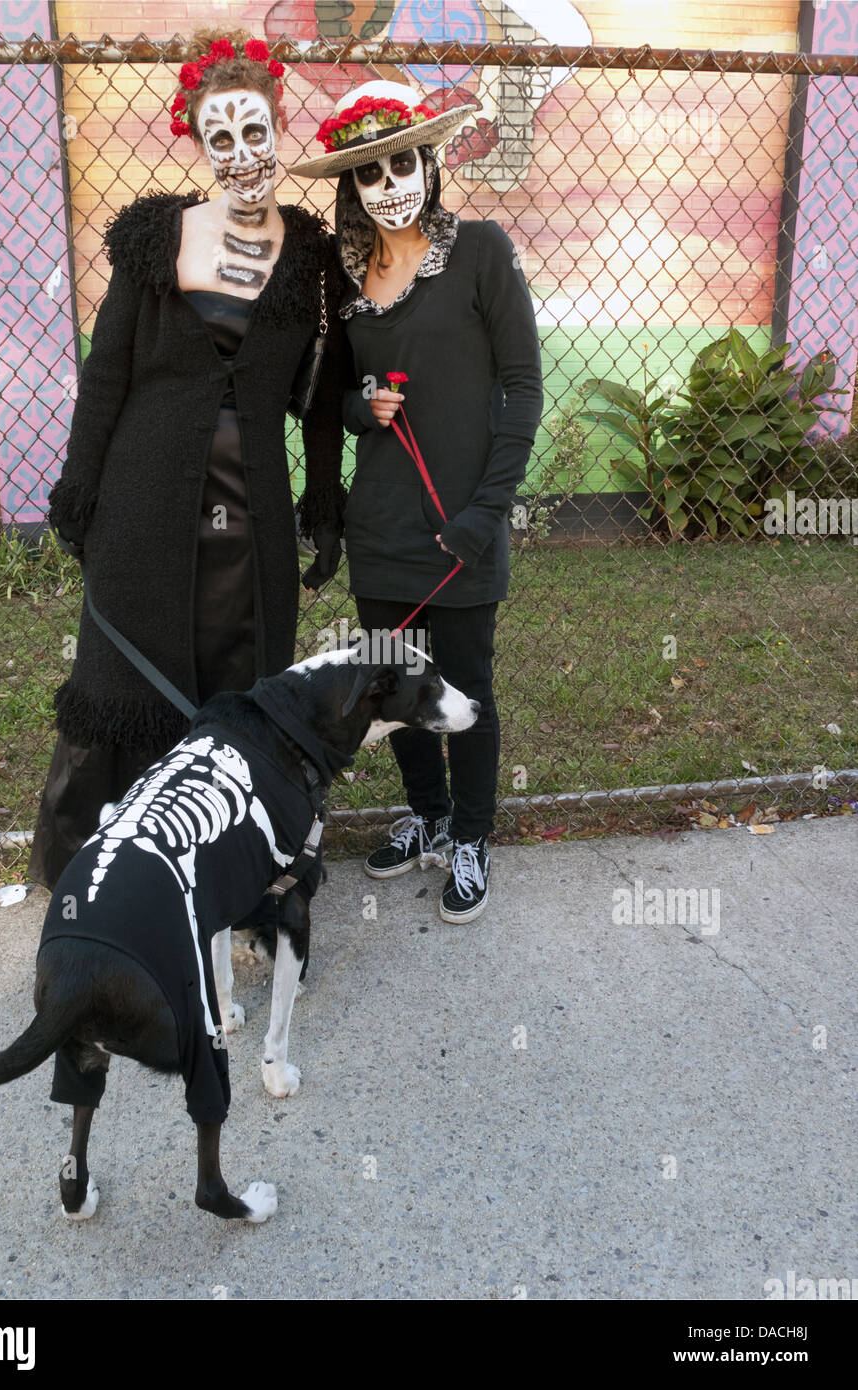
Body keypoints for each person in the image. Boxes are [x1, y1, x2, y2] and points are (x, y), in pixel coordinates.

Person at [28, 30, 346, 896]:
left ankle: (236, 874)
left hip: (255, 514)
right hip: (145, 497)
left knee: (245, 675)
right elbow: (108, 372)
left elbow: (320, 398)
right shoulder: (155, 237)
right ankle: (108, 877)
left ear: (277, 127)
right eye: (222, 138)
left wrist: (325, 505)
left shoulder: (313, 254)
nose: (242, 156)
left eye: (255, 133)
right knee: (123, 676)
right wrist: (81, 484)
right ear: (198, 144)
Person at [291, 80, 543, 924]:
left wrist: (488, 511)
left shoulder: (479, 250)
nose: (391, 183)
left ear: (428, 163)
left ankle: (471, 835)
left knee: (465, 684)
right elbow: (340, 395)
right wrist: (363, 409)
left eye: (404, 162)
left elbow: (522, 387)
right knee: (393, 683)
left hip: (462, 525)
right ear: (351, 187)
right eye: (371, 172)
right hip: (384, 522)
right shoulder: (350, 272)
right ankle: (430, 819)